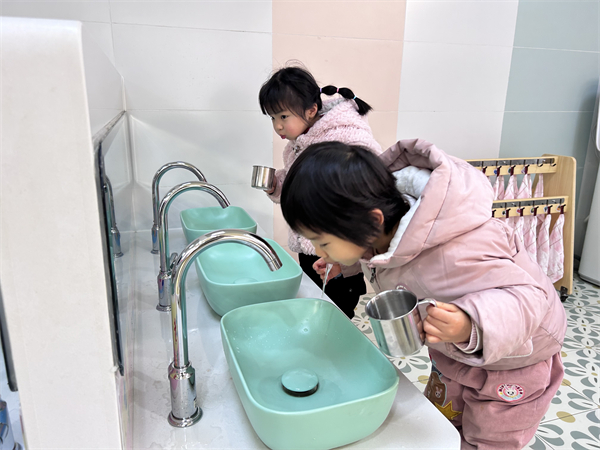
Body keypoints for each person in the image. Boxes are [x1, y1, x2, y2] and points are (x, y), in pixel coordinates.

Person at [279, 140, 567, 450]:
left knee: (490, 440)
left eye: (323, 242)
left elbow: (530, 298)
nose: (318, 251)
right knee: (442, 423)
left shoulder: (462, 248)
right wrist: (345, 263)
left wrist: (470, 323)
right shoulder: (388, 230)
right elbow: (385, 258)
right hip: (455, 353)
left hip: (515, 363)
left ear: (372, 221)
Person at [258, 65, 383, 318]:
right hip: (312, 246)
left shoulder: (344, 139)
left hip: (339, 250)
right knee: (317, 307)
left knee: (336, 313)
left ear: (311, 110)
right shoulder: (299, 143)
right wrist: (277, 186)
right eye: (272, 118)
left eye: (283, 116)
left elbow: (363, 200)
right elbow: (302, 190)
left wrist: (340, 261)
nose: (278, 126)